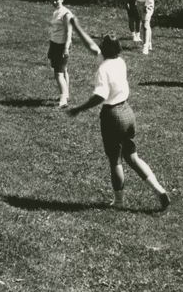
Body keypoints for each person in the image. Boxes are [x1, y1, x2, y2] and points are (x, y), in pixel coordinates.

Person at [66, 34, 170, 211]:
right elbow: (95, 49)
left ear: (104, 50)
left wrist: (79, 108)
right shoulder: (120, 61)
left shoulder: (103, 69)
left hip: (112, 115)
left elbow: (100, 95)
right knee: (132, 156)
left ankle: (119, 201)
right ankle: (159, 189)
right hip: (128, 112)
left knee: (115, 160)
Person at [47, 0, 75, 107]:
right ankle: (66, 93)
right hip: (54, 43)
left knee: (58, 73)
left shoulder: (65, 14)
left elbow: (69, 32)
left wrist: (66, 48)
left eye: (57, 0)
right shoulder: (56, 12)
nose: (54, 2)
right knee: (63, 70)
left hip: (62, 45)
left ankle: (63, 98)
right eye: (52, 0)